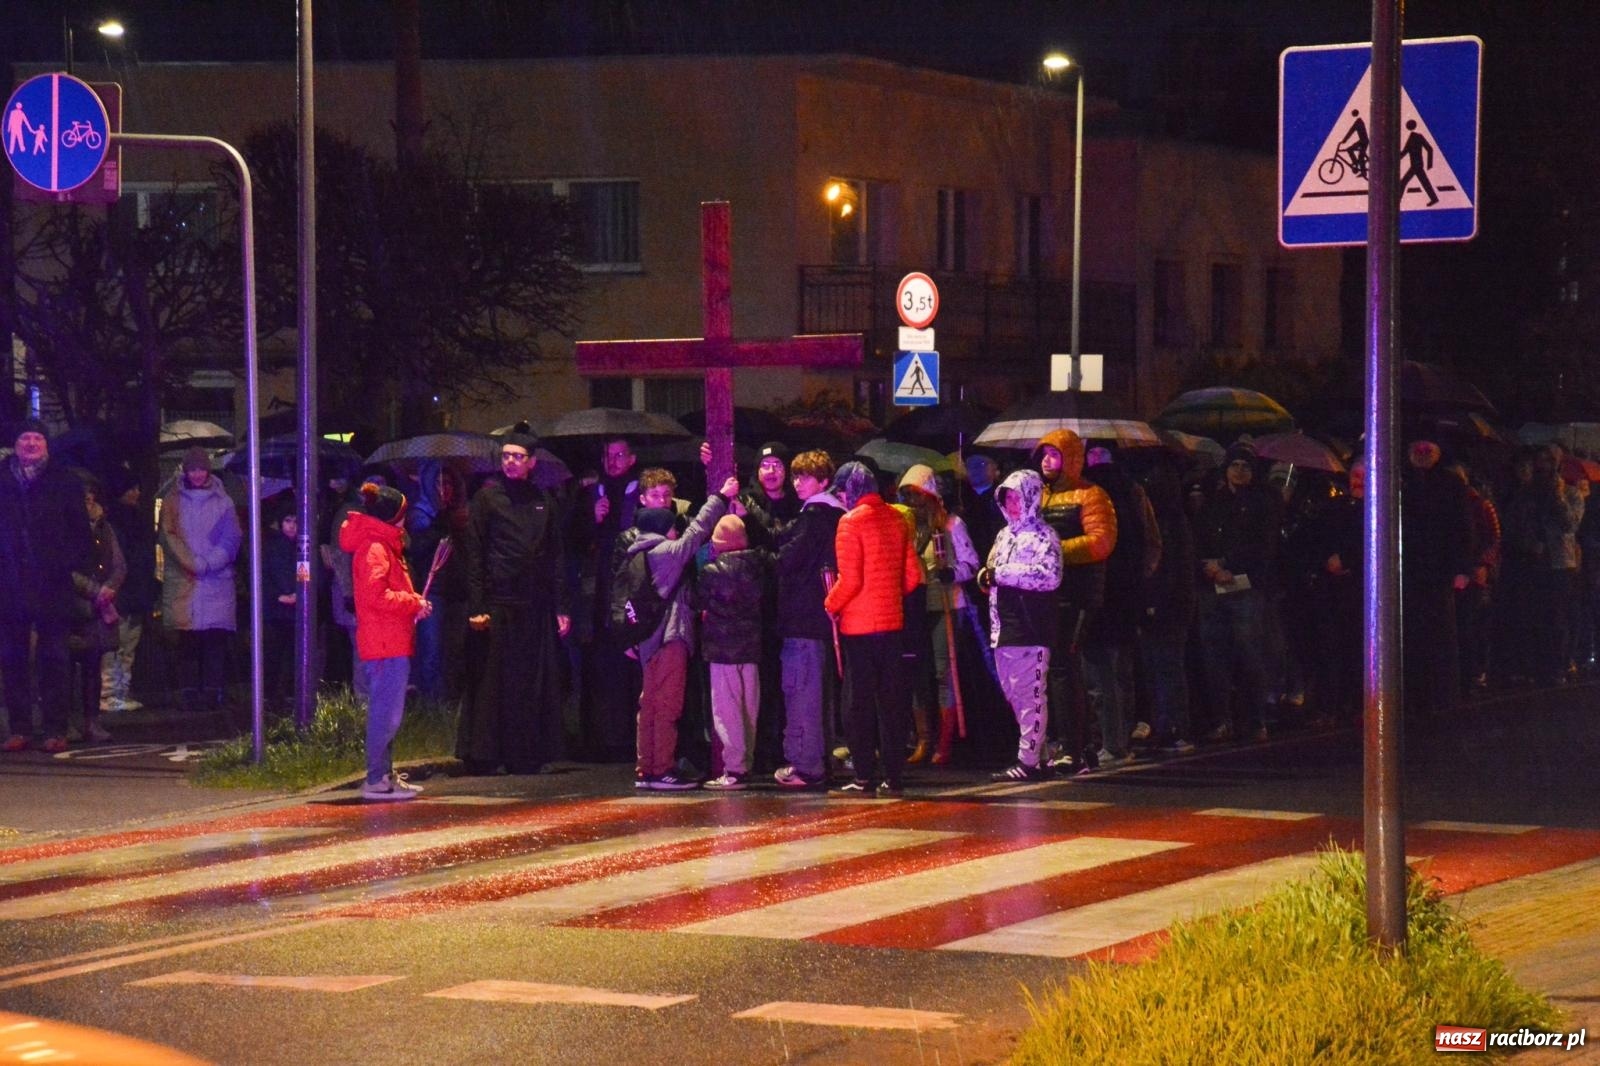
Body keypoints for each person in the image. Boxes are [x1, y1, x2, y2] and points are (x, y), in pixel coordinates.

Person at [457, 431, 572, 774]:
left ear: (531, 462)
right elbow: (475, 555)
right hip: (498, 603)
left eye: (517, 456)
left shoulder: (543, 499)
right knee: (493, 682)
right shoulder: (487, 499)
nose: (510, 461)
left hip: (534, 605)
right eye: (506, 455)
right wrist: (477, 605)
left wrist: (561, 607)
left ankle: (527, 754)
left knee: (530, 681)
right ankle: (486, 754)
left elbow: (556, 557)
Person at [622, 475, 740, 790]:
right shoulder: (665, 553)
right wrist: (720, 497)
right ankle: (662, 769)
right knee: (667, 706)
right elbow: (697, 531)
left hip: (647, 639)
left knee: (649, 705)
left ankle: (646, 768)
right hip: (669, 637)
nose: (676, 529)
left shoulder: (637, 552)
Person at [823, 461, 923, 797]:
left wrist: (830, 604)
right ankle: (893, 777)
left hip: (859, 629)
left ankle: (863, 775)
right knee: (892, 703)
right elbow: (912, 576)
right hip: (892, 625)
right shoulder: (898, 518)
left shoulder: (849, 524)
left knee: (858, 704)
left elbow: (850, 580)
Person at [0, 420, 95, 753]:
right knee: (12, 658)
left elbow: (81, 533)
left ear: (46, 445)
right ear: (15, 444)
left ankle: (55, 726)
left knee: (53, 656)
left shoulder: (64, 481)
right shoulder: (3, 479)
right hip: (10, 582)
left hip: (52, 584)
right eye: (24, 437)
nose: (30, 443)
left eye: (37, 438)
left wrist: (62, 563)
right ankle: (20, 727)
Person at [340, 482, 432, 801]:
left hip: (388, 639)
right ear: (392, 517)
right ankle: (376, 778)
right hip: (384, 644)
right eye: (403, 515)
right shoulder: (375, 548)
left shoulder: (379, 543)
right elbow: (376, 596)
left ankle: (384, 776)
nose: (406, 521)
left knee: (388, 710)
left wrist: (413, 607)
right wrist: (412, 603)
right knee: (385, 713)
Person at [1031, 429, 1117, 772]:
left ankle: (1075, 747)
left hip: (1080, 592)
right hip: (1049, 592)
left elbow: (1101, 542)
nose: (1046, 461)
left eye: (1053, 454)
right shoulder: (1041, 495)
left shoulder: (1092, 495)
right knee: (1054, 669)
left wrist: (1054, 551)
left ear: (1071, 458)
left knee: (1066, 666)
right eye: (1043, 455)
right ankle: (1074, 744)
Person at [1192, 442, 1280, 743]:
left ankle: (1257, 719)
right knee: (1214, 656)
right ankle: (1221, 719)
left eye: (1245, 466)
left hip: (1245, 587)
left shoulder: (1262, 502)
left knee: (1250, 653)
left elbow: (1261, 545)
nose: (1240, 471)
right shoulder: (1213, 503)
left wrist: (1229, 565)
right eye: (1235, 465)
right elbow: (1200, 537)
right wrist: (1211, 567)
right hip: (1212, 586)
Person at [978, 469, 1062, 780]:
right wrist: (985, 576)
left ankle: (1028, 761)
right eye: (1007, 498)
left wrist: (1002, 573)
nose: (1012, 504)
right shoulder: (1004, 535)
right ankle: (1039, 755)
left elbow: (1050, 576)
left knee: (1031, 695)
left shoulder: (1044, 535)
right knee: (1014, 693)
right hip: (1004, 627)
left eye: (1017, 497)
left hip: (1031, 626)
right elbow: (990, 567)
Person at [771, 449, 846, 789]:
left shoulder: (815, 516)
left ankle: (806, 764)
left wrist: (763, 556)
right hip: (826, 616)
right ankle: (820, 758)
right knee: (819, 691)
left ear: (824, 481)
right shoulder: (836, 515)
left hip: (803, 616)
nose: (797, 482)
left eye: (805, 476)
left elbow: (788, 559)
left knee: (802, 689)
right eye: (796, 475)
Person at [898, 463, 980, 764]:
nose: (913, 503)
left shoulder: (951, 525)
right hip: (915, 606)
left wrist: (953, 573)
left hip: (945, 604)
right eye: (907, 496)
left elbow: (971, 563)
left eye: (917, 495)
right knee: (917, 673)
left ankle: (943, 744)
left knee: (944, 673)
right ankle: (923, 738)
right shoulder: (905, 527)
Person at [158, 446, 243, 715]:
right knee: (188, 642)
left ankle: (213, 690)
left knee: (214, 641)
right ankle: (189, 692)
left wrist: (211, 561)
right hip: (186, 580)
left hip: (215, 579)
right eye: (192, 469)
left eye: (201, 468)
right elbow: (168, 537)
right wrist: (192, 562)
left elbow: (232, 537)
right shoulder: (173, 501)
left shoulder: (223, 501)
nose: (196, 474)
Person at [576, 437, 644, 758]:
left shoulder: (640, 492)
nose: (613, 461)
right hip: (598, 595)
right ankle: (599, 740)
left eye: (619, 455)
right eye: (608, 455)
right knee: (600, 667)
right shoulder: (593, 493)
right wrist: (593, 518)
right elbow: (571, 537)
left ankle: (632, 739)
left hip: (631, 591)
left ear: (631, 459)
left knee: (630, 666)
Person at [694, 514, 769, 790]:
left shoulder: (710, 572)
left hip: (722, 649)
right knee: (750, 708)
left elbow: (697, 602)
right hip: (751, 647)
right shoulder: (758, 567)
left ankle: (735, 770)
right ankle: (746, 763)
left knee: (727, 712)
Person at [405, 460, 469, 699]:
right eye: (440, 482)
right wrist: (437, 526)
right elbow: (417, 549)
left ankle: (450, 698)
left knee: (453, 649)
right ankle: (431, 703)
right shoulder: (420, 513)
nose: (445, 488)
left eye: (450, 483)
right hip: (432, 589)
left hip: (457, 590)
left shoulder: (461, 513)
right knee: (431, 649)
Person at [69, 478, 125, 744]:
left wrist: (109, 588)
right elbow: (65, 569)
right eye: (85, 499)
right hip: (74, 606)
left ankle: (92, 720)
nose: (89, 503)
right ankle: (67, 721)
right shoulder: (65, 528)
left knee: (93, 668)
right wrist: (95, 590)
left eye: (92, 498)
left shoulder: (105, 528)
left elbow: (118, 564)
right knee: (66, 666)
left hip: (98, 609)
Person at [101, 465, 157, 714]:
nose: (136, 493)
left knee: (127, 647)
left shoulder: (134, 520)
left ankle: (120, 692)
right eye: (132, 488)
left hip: (134, 592)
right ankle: (109, 693)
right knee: (116, 646)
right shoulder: (115, 522)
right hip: (123, 593)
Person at [261, 504, 300, 710]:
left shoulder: (303, 546)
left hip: (296, 609)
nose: (292, 526)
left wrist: (299, 594)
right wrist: (279, 595)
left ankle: (291, 693)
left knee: (294, 654)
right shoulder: (272, 546)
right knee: (275, 653)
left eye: (295, 521)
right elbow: (266, 576)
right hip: (277, 610)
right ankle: (271, 693)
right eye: (288, 521)